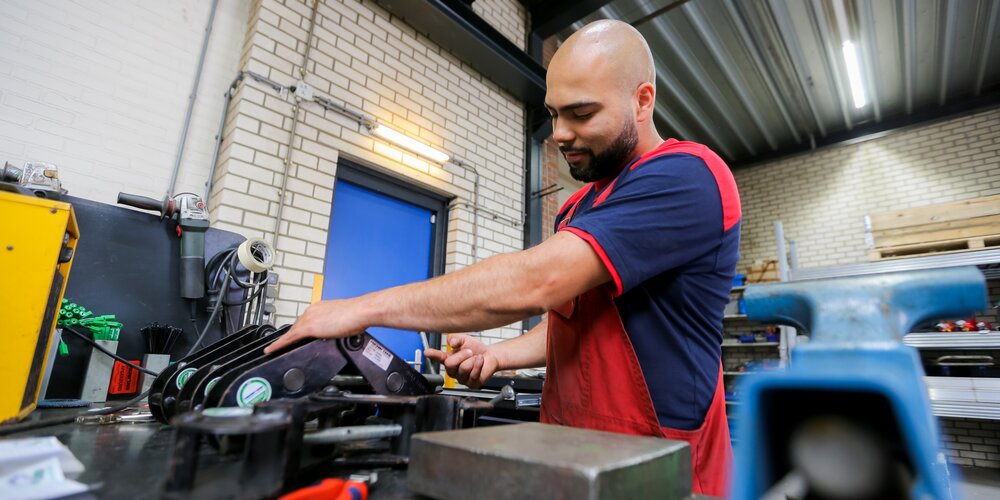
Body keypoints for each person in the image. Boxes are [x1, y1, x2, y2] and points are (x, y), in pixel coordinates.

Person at [265, 19, 739, 496]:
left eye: (580, 113)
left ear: (642, 100)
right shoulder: (580, 207)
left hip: (662, 468)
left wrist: (358, 308)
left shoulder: (688, 177)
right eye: (554, 114)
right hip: (564, 452)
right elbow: (572, 322)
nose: (560, 133)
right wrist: (498, 355)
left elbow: (537, 283)